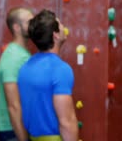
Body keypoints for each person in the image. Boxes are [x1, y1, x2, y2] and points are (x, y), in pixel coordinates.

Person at [18, 9, 78, 141]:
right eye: (60, 24)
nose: (64, 27)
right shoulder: (60, 69)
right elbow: (66, 122)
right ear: (55, 35)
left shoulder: (25, 68)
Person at [0, 7, 33, 141]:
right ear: (17, 27)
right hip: (12, 133)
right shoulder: (13, 57)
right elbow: (13, 105)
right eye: (30, 22)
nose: (33, 26)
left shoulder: (22, 53)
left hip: (18, 130)